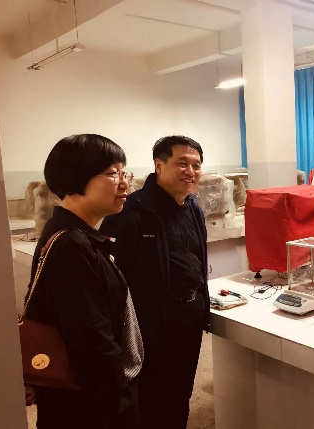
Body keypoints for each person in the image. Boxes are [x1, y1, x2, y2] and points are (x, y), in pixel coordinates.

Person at [25, 134, 143, 429]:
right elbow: (93, 343)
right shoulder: (71, 246)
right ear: (75, 178)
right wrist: (121, 406)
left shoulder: (73, 235)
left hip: (86, 398)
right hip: (89, 407)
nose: (125, 184)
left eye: (124, 173)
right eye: (113, 174)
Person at [100, 135, 209, 429]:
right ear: (159, 165)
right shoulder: (132, 210)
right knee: (151, 393)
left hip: (189, 315)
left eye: (196, 165)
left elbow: (198, 257)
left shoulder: (192, 206)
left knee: (182, 388)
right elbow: (112, 274)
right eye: (182, 163)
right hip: (151, 322)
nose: (190, 171)